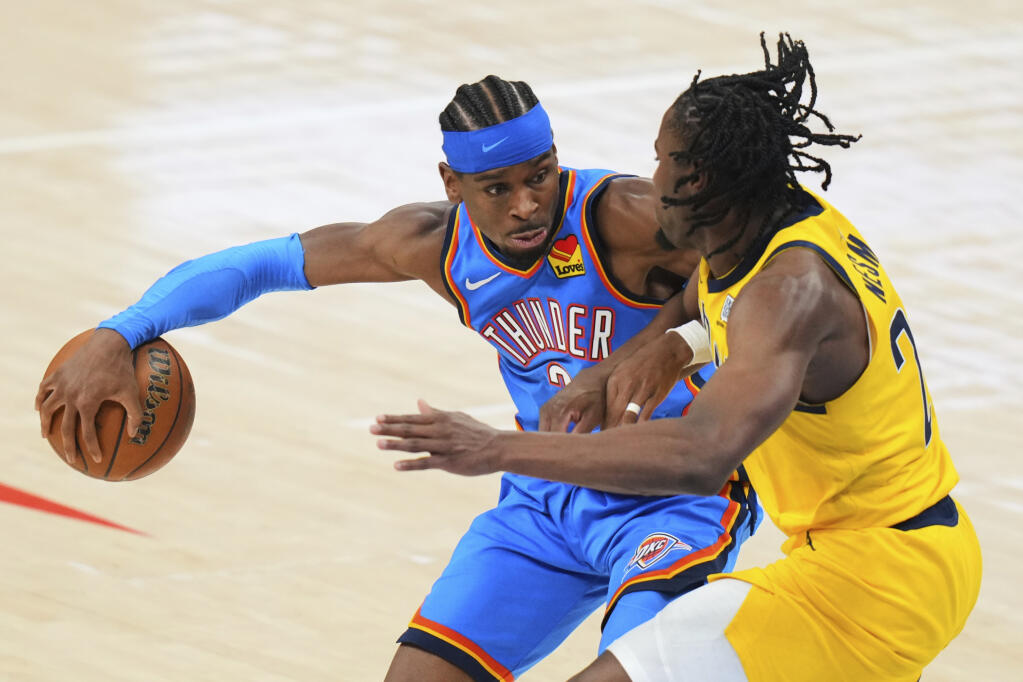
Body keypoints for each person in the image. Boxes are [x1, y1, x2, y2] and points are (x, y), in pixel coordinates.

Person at [34, 75, 759, 681]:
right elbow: (265, 264)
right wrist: (119, 332)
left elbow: (759, 272)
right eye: (496, 187)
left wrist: (668, 343)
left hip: (670, 501)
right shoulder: (433, 244)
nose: (527, 204)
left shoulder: (622, 217)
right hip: (546, 502)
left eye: (538, 176)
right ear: (451, 183)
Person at [372, 35, 983, 681]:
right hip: (875, 554)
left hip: (876, 579)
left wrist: (492, 450)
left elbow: (699, 455)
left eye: (660, 160)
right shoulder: (777, 222)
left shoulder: (786, 289)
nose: (651, 176)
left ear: (695, 179)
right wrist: (660, 349)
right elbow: (704, 296)